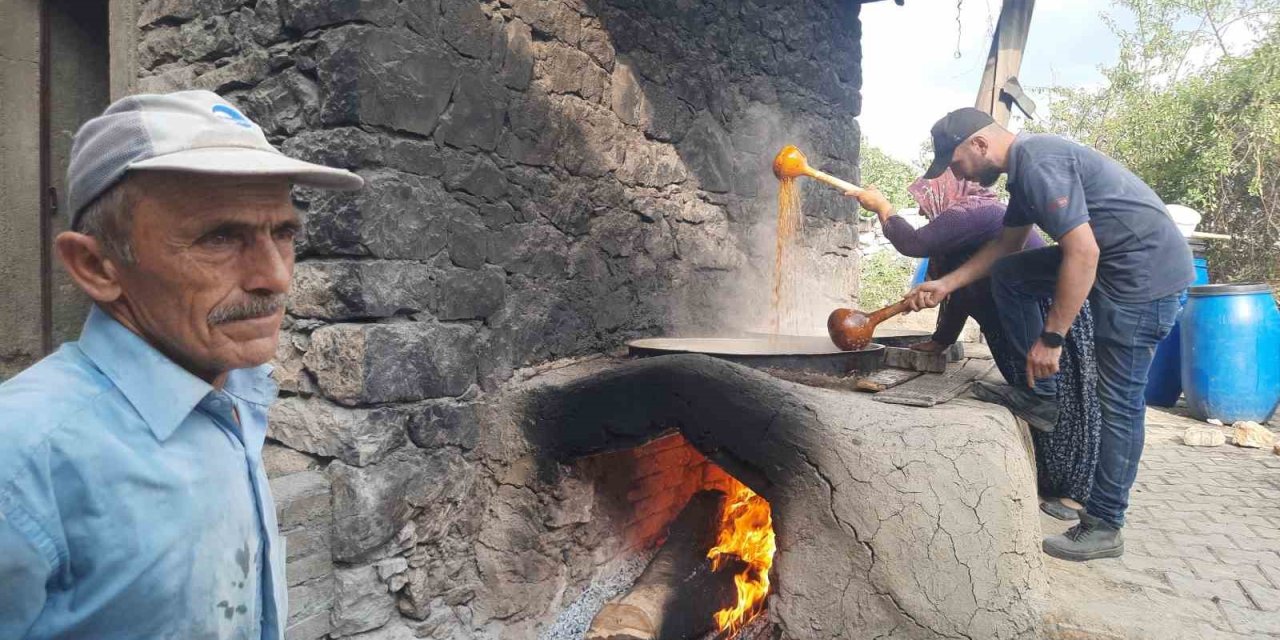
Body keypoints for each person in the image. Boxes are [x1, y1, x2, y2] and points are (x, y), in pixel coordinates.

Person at [0, 91, 363, 638]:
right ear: (96, 266)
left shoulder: (231, 391)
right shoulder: (23, 457)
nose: (276, 277)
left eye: (284, 233)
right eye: (219, 237)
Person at [907, 107, 1192, 561]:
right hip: (1115, 264)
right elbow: (1007, 246)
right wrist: (946, 284)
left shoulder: (1039, 162)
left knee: (1117, 402)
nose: (956, 173)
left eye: (955, 162)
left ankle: (1104, 524)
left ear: (979, 145)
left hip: (1141, 279)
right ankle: (1042, 396)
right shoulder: (1024, 172)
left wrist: (1052, 338)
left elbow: (1083, 251)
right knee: (1011, 273)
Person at [850, 170, 1102, 522]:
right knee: (1031, 400)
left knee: (1065, 402)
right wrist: (941, 341)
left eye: (925, 205)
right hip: (1007, 328)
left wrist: (882, 207)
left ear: (943, 193)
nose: (924, 214)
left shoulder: (975, 213)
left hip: (1046, 320)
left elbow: (913, 244)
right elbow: (959, 295)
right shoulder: (957, 238)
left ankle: (1076, 494)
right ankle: (1050, 481)